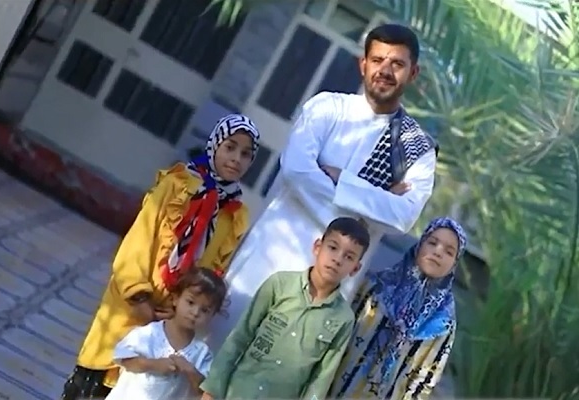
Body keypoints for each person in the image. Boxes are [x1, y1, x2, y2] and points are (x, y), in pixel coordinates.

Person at [207, 23, 438, 352]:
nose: (385, 71)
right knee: (214, 353)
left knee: (283, 369)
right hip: (270, 256)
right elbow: (297, 169)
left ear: (413, 73)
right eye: (377, 60)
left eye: (397, 64)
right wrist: (368, 209)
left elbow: (403, 217)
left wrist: (342, 179)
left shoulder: (416, 147)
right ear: (363, 64)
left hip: (329, 286)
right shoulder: (327, 107)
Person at [60, 113, 260, 399]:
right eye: (230, 147)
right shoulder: (176, 185)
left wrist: (180, 309)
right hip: (131, 306)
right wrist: (140, 298)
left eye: (246, 154)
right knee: (98, 380)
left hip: (170, 324)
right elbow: (139, 242)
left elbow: (211, 273)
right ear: (215, 144)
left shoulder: (233, 215)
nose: (236, 159)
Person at [200, 217, 370, 400]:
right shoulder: (279, 285)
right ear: (317, 247)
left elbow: (321, 378)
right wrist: (211, 391)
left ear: (355, 269)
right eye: (333, 248)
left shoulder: (343, 318)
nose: (337, 259)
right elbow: (240, 336)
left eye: (348, 257)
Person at [330, 217, 467, 399]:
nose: (438, 252)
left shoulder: (442, 323)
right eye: (432, 243)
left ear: (454, 264)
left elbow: (424, 381)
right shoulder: (375, 287)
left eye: (449, 252)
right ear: (420, 244)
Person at [105, 267, 227, 400]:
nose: (195, 312)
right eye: (190, 302)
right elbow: (126, 360)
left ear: (212, 315)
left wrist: (190, 370)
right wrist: (154, 364)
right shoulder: (150, 333)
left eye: (205, 310)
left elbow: (204, 390)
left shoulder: (202, 354)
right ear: (176, 299)